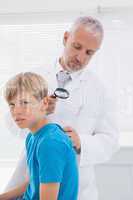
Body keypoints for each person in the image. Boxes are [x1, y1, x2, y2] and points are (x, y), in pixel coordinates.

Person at [4, 16, 119, 200]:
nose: (81, 57)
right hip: (33, 179)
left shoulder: (99, 90)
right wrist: (37, 113)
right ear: (66, 38)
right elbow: (12, 119)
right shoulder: (35, 75)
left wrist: (81, 142)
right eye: (77, 47)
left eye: (89, 53)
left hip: (79, 188)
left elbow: (110, 141)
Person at [0, 72, 78, 200]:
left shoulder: (50, 143)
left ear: (44, 104)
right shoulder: (33, 137)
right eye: (12, 105)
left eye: (24, 103)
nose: (16, 111)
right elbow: (32, 183)